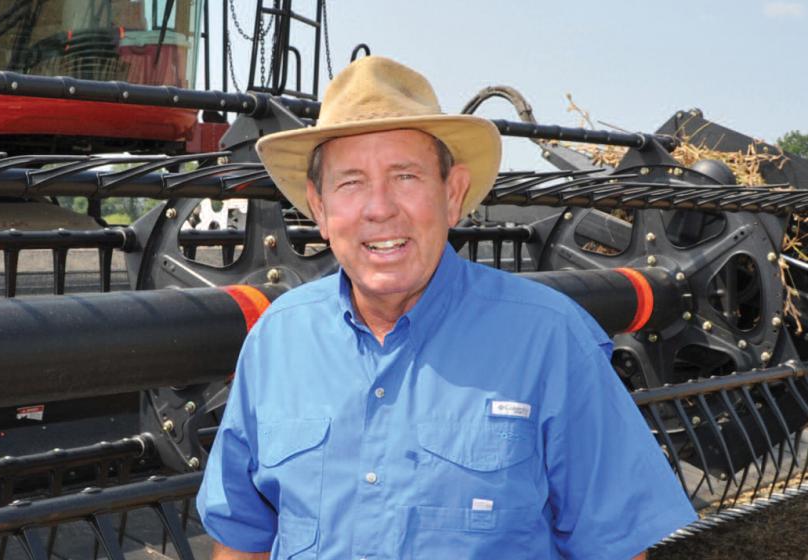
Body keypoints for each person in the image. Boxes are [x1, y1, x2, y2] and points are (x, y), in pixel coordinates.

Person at [196, 56, 697, 559]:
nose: (379, 208)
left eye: (406, 177)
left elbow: (617, 548)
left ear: (452, 194)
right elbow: (242, 540)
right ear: (320, 208)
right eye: (350, 182)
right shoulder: (276, 342)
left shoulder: (551, 340)